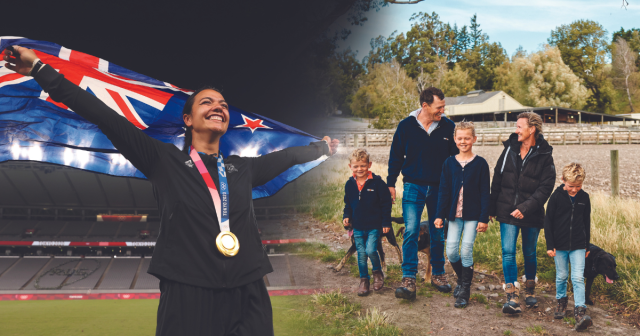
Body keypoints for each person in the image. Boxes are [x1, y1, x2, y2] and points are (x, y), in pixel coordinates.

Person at [3, 46, 339, 336]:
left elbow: (288, 156)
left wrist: (322, 148)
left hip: (248, 287)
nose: (218, 106)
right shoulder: (162, 160)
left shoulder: (242, 168)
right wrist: (39, 69)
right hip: (187, 291)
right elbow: (101, 114)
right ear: (188, 120)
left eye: (222, 104)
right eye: (206, 102)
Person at [387, 87, 458, 300]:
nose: (443, 111)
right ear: (425, 105)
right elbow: (396, 156)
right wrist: (391, 183)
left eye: (444, 106)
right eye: (439, 107)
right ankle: (408, 278)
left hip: (439, 188)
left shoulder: (448, 127)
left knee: (437, 232)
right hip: (413, 186)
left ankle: (438, 274)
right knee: (410, 231)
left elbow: (455, 159)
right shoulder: (406, 126)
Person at [489, 111, 555, 315]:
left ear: (531, 129)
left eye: (519, 127)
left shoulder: (544, 154)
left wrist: (525, 208)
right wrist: (492, 208)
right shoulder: (509, 148)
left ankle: (529, 290)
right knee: (508, 252)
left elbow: (546, 187)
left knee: (529, 252)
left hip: (531, 213)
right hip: (507, 209)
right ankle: (511, 295)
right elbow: (498, 177)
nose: (515, 130)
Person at [434, 121, 490, 308]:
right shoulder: (449, 163)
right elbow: (443, 191)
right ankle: (462, 279)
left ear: (474, 139)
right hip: (453, 216)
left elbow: (485, 192)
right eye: (460, 138)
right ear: (454, 139)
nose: (463, 141)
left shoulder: (481, 164)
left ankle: (464, 290)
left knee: (466, 250)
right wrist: (439, 215)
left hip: (473, 216)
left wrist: (484, 218)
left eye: (467, 138)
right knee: (451, 250)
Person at [544, 163, 593, 331]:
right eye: (571, 186)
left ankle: (580, 310)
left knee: (578, 277)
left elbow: (587, 222)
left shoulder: (584, 198)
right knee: (562, 275)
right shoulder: (556, 197)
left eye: (578, 186)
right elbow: (548, 222)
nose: (574, 190)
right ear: (563, 180)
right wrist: (550, 245)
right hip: (559, 246)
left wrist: (587, 246)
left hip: (579, 245)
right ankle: (561, 302)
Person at [342, 149, 392, 296]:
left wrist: (386, 223)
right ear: (350, 166)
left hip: (374, 226)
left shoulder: (378, 183)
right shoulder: (349, 184)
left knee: (371, 250)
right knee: (362, 254)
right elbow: (348, 204)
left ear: (369, 165)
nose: (359, 169)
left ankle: (377, 273)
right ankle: (364, 280)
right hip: (357, 226)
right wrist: (346, 216)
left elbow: (386, 204)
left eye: (363, 166)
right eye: (356, 166)